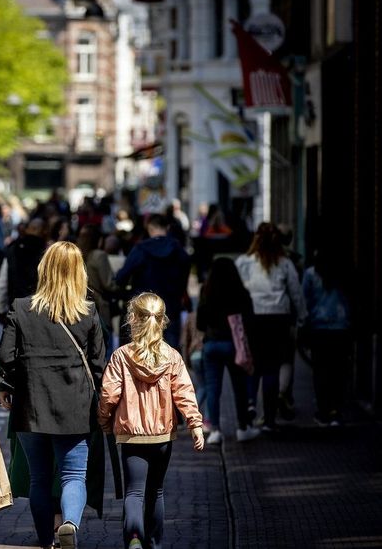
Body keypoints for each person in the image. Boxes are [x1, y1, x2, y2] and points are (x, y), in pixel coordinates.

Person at [0, 241, 105, 549]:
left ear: (44, 269)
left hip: (31, 404)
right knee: (73, 475)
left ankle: (46, 540)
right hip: (76, 406)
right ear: (79, 273)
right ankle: (68, 524)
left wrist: (5, 386)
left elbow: (5, 354)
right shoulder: (88, 312)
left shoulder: (21, 307)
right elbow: (99, 364)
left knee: (39, 480)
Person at [98, 293, 205, 549]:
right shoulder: (172, 357)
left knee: (134, 491)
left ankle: (134, 538)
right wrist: (195, 425)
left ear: (133, 319)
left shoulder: (121, 356)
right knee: (156, 490)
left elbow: (108, 395)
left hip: (131, 434)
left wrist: (103, 421)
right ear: (163, 321)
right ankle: (154, 544)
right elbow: (185, 393)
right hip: (162, 435)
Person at [235, 222, 307, 430]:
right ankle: (269, 418)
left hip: (253, 319)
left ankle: (250, 404)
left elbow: (238, 291)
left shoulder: (245, 263)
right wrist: (302, 318)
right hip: (278, 319)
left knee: (252, 365)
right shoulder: (284, 263)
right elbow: (296, 294)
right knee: (272, 368)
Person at [195, 258, 260, 443]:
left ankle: (215, 430)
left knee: (213, 389)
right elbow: (249, 322)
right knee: (239, 387)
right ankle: (243, 427)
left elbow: (200, 323)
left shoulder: (206, 292)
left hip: (211, 345)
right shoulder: (240, 293)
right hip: (234, 346)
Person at [116, 214, 191, 351]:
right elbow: (185, 275)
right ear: (167, 228)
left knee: (140, 353)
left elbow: (122, 276)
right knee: (170, 354)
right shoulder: (178, 250)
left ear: (149, 228)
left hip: (144, 308)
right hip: (171, 307)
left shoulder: (140, 249)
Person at [302, 250, 350, 426]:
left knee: (320, 371)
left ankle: (323, 410)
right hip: (340, 327)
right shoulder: (343, 273)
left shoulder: (310, 274)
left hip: (318, 327)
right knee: (338, 370)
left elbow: (304, 300)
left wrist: (303, 324)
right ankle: (336, 410)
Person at [0, 217, 49, 325]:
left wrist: (0, 309)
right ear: (44, 231)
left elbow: (3, 282)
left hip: (16, 308)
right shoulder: (48, 252)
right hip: (40, 311)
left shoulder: (13, 249)